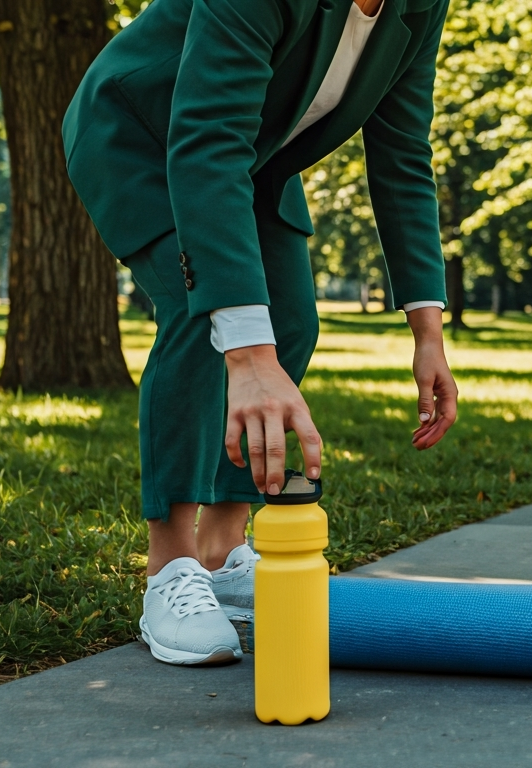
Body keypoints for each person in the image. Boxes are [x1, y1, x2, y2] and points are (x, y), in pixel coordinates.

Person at [63, 0, 458, 666]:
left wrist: (428, 332)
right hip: (146, 135)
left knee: (292, 322)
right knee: (203, 314)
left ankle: (221, 551)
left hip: (251, 156)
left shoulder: (420, 6)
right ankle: (170, 569)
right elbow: (207, 131)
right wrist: (245, 354)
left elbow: (403, 153)